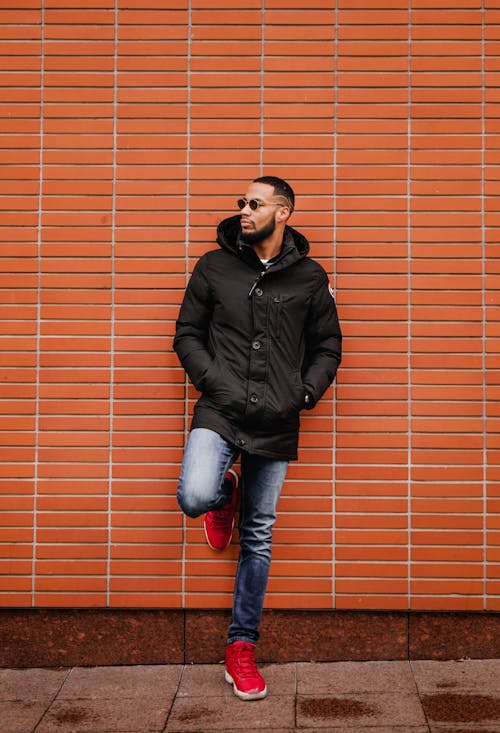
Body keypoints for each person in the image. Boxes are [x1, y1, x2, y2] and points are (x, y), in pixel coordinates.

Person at [173, 175, 342, 701]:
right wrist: (213, 380)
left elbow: (329, 345)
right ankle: (225, 495)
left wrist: (305, 393)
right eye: (240, 202)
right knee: (195, 495)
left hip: (277, 417)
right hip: (220, 408)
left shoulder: (310, 278)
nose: (244, 210)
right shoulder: (214, 266)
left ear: (283, 212)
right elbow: (187, 334)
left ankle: (241, 648)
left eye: (255, 203)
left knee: (259, 536)